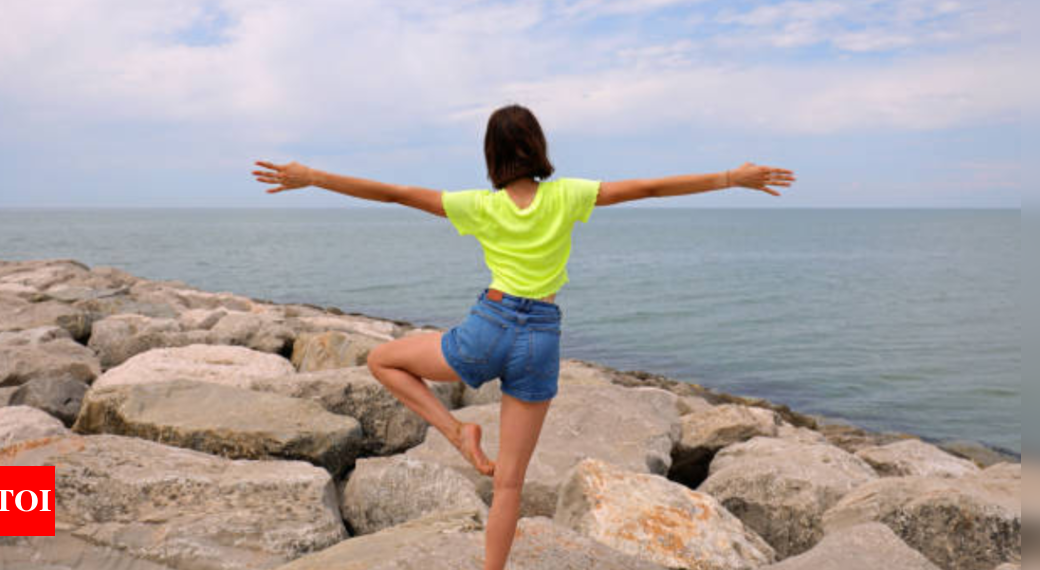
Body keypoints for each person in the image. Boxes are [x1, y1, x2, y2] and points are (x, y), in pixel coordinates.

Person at [251, 103, 795, 570]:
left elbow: (395, 193)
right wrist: (731, 177)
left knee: (384, 360)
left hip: (486, 327)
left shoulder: (480, 205)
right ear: (537, 147)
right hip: (540, 338)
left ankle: (455, 431)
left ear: (492, 156)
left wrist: (312, 176)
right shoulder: (566, 197)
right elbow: (649, 188)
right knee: (509, 483)